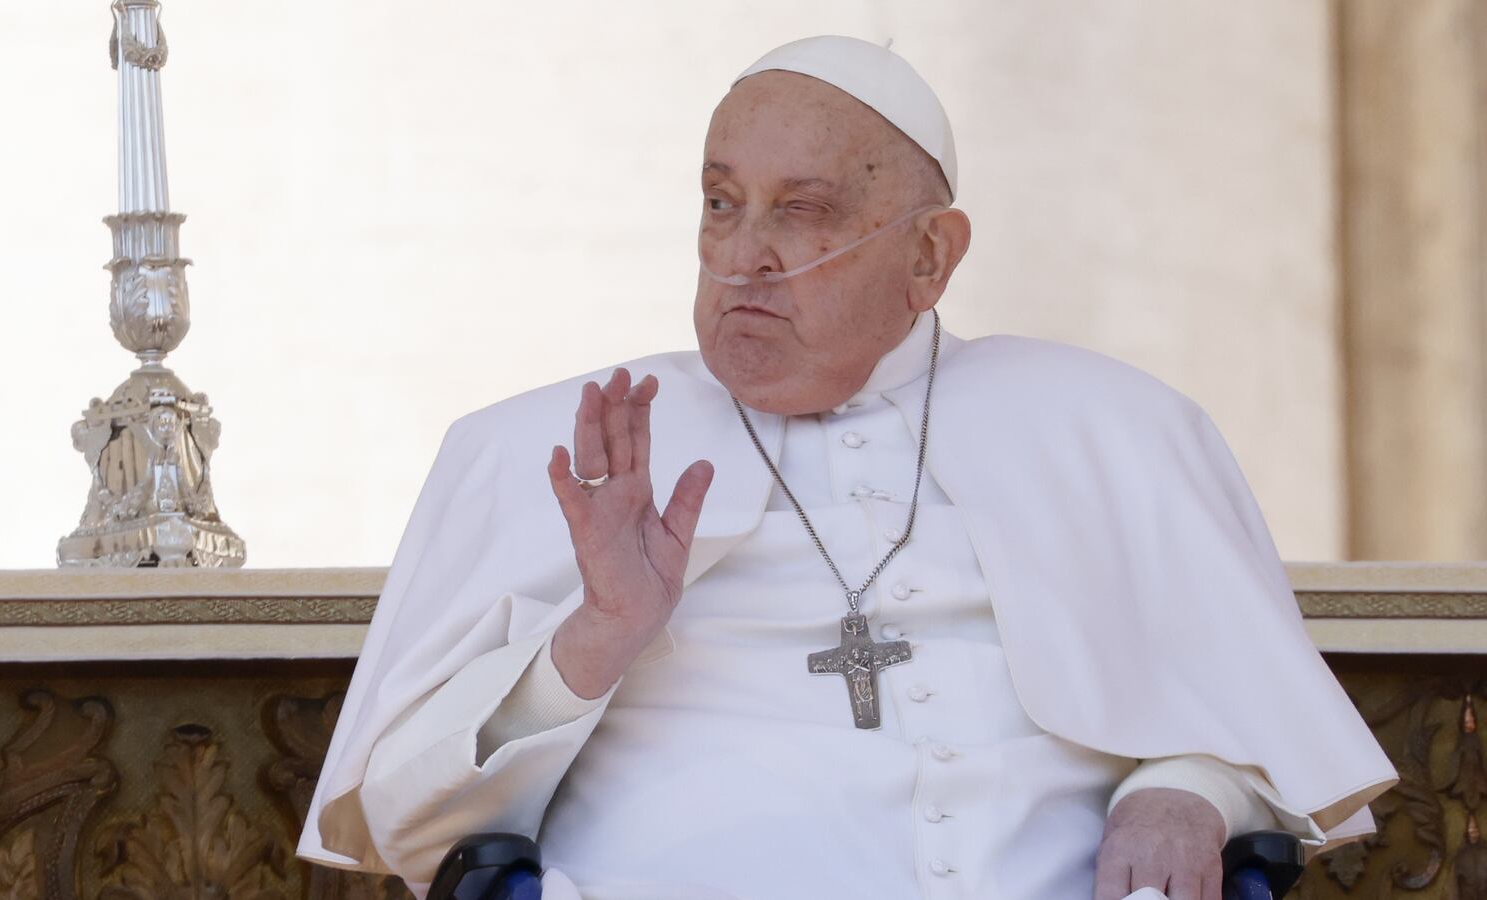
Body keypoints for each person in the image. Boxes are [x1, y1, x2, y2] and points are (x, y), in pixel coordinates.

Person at [298, 35, 1397, 900]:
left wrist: (1186, 790)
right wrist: (590, 642)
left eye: (802, 213)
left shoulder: (1109, 427)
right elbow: (409, 829)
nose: (744, 259)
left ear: (930, 256)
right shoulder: (548, 447)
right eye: (720, 205)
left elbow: (1255, 729)